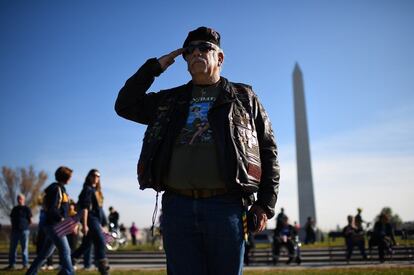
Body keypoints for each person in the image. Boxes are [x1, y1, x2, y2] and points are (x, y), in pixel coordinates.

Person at [115, 26, 280, 275]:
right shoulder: (169, 101)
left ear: (220, 57)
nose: (196, 53)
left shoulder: (244, 97)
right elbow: (125, 104)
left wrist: (265, 204)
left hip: (226, 207)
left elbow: (268, 149)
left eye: (205, 48)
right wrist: (155, 68)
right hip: (177, 206)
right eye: (189, 51)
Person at [26, 166, 74, 275]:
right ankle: (70, 273)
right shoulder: (56, 189)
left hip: (51, 226)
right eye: (70, 177)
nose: (71, 179)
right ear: (65, 177)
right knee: (66, 251)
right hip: (55, 225)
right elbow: (52, 209)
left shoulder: (60, 189)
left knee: (44, 254)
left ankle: (31, 273)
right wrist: (61, 219)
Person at [71, 169, 109, 274]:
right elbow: (85, 208)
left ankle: (69, 262)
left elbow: (100, 209)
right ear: (89, 176)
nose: (96, 177)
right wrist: (85, 224)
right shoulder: (87, 189)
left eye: (98, 176)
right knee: (101, 242)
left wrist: (103, 224)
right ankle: (104, 270)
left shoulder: (96, 191)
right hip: (91, 219)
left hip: (96, 220)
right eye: (94, 175)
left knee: (86, 245)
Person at [6, 194, 32, 270]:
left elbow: (30, 220)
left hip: (24, 231)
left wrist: (24, 226)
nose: (19, 200)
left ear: (23, 199)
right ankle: (12, 265)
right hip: (15, 231)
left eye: (20, 199)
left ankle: (25, 265)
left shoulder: (27, 209)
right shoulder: (14, 209)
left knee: (24, 248)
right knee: (13, 248)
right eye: (18, 199)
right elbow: (11, 218)